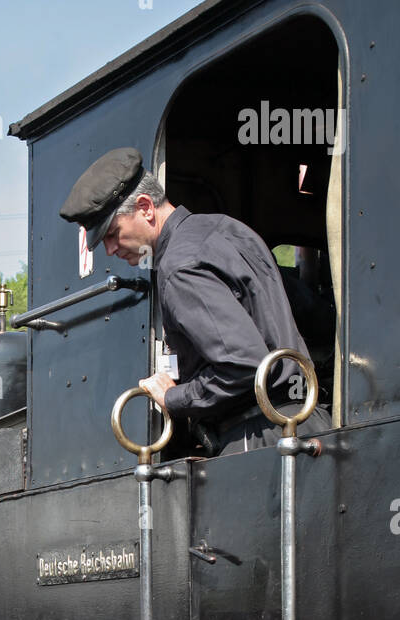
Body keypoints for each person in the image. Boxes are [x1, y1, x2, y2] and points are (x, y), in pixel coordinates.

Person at [60, 147, 332, 454]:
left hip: (257, 440)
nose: (110, 250)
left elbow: (243, 366)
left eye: (112, 233)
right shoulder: (225, 228)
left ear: (146, 207)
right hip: (304, 425)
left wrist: (172, 398)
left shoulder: (179, 266)